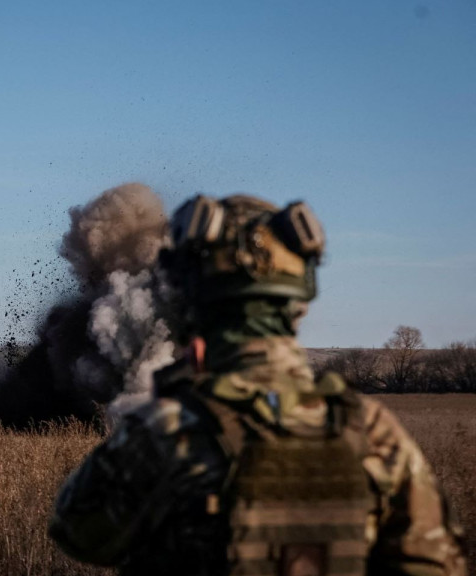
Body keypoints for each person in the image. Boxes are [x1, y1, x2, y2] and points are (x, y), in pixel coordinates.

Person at [48, 194, 466, 576]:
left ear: (190, 301)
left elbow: (77, 533)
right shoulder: (374, 434)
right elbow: (434, 564)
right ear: (298, 305)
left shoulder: (165, 433)